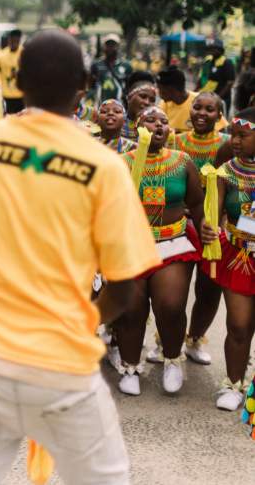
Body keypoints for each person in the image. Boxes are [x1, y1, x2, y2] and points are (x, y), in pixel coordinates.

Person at [0, 29, 160, 484]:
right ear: (84, 85)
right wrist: (82, 320)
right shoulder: (105, 167)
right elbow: (125, 288)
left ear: (19, 79)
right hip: (61, 365)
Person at [113, 106, 213, 396]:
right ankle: (130, 367)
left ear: (170, 130)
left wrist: (204, 224)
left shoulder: (183, 162)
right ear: (136, 128)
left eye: (164, 121)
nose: (158, 125)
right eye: (150, 120)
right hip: (131, 246)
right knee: (131, 309)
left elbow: (196, 204)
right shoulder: (120, 163)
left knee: (170, 306)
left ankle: (172, 359)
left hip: (172, 244)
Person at [173, 91, 231, 368]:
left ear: (220, 117)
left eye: (210, 110)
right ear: (190, 110)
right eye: (198, 107)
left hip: (213, 228)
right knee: (175, 290)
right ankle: (167, 340)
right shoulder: (176, 140)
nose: (202, 113)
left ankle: (195, 339)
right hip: (181, 224)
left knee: (209, 290)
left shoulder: (228, 144)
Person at [205, 110, 255, 410]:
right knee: (238, 324)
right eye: (232, 134)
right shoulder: (225, 172)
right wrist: (209, 227)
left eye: (242, 135)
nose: (234, 141)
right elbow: (214, 212)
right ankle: (234, 384)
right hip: (239, 255)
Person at [89, 33, 133, 105]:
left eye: (113, 44)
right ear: (104, 46)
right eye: (108, 44)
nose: (110, 47)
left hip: (120, 106)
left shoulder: (126, 66)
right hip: (100, 105)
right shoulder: (96, 65)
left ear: (118, 47)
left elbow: (130, 87)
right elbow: (91, 86)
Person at [199, 39, 236, 114]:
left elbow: (230, 83)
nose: (212, 51)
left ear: (221, 50)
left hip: (221, 98)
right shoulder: (208, 61)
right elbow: (202, 77)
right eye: (211, 49)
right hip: (207, 96)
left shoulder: (227, 62)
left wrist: (218, 97)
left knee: (220, 121)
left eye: (215, 48)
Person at [121, 72, 158, 139]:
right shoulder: (114, 125)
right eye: (143, 96)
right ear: (129, 97)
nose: (147, 102)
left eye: (152, 100)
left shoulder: (157, 130)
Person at [0, 29, 24, 113]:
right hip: (5, 95)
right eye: (12, 39)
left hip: (20, 95)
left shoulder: (24, 53)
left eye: (16, 39)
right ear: (9, 40)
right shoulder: (1, 55)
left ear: (19, 40)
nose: (14, 42)